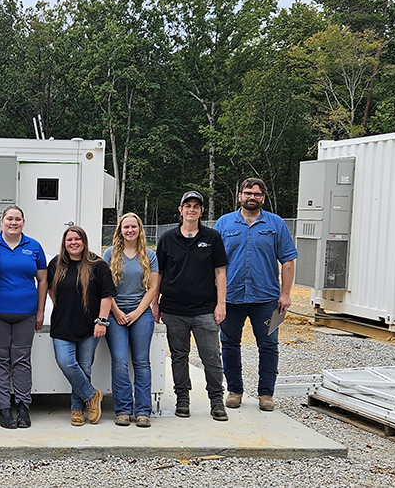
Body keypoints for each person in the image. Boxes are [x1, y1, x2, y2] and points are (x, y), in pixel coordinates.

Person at [214, 178, 298, 412]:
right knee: (229, 344)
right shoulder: (224, 223)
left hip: (268, 300)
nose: (252, 197)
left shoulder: (276, 224)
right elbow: (213, 263)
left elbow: (288, 260)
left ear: (263, 198)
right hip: (231, 299)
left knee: (269, 345)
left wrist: (286, 294)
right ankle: (235, 391)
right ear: (240, 195)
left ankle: (266, 394)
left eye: (257, 194)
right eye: (248, 193)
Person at [154, 190, 229, 421]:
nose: (192, 209)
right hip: (173, 309)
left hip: (205, 309)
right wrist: (155, 304)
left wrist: (221, 304)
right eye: (188, 205)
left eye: (196, 206)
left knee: (211, 357)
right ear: (180, 210)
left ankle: (217, 401)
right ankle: (182, 399)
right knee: (179, 356)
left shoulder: (212, 237)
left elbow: (220, 272)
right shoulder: (167, 238)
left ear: (201, 211)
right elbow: (159, 273)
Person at [0, 205, 47, 429]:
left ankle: (23, 407)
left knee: (21, 361)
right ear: (1, 221)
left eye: (18, 219)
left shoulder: (34, 246)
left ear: (23, 222)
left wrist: (40, 311)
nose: (13, 222)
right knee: (0, 361)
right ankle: (3, 409)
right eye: (9, 218)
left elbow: (43, 282)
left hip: (26, 314)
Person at [48, 225, 115, 426]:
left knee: (85, 367)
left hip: (90, 326)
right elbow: (51, 290)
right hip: (62, 324)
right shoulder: (56, 264)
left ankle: (77, 409)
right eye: (69, 240)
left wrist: (102, 321)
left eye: (77, 239)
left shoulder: (98, 265)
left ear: (84, 241)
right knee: (66, 362)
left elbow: (107, 295)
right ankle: (92, 396)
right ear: (64, 243)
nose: (73, 243)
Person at [103, 213, 160, 428]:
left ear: (139, 229)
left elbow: (153, 287)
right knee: (119, 360)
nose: (130, 230)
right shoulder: (110, 254)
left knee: (141, 361)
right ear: (120, 230)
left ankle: (143, 410)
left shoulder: (149, 255)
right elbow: (105, 287)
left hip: (141, 312)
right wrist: (116, 311)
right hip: (114, 311)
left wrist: (137, 312)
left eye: (133, 227)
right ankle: (123, 409)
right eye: (126, 227)